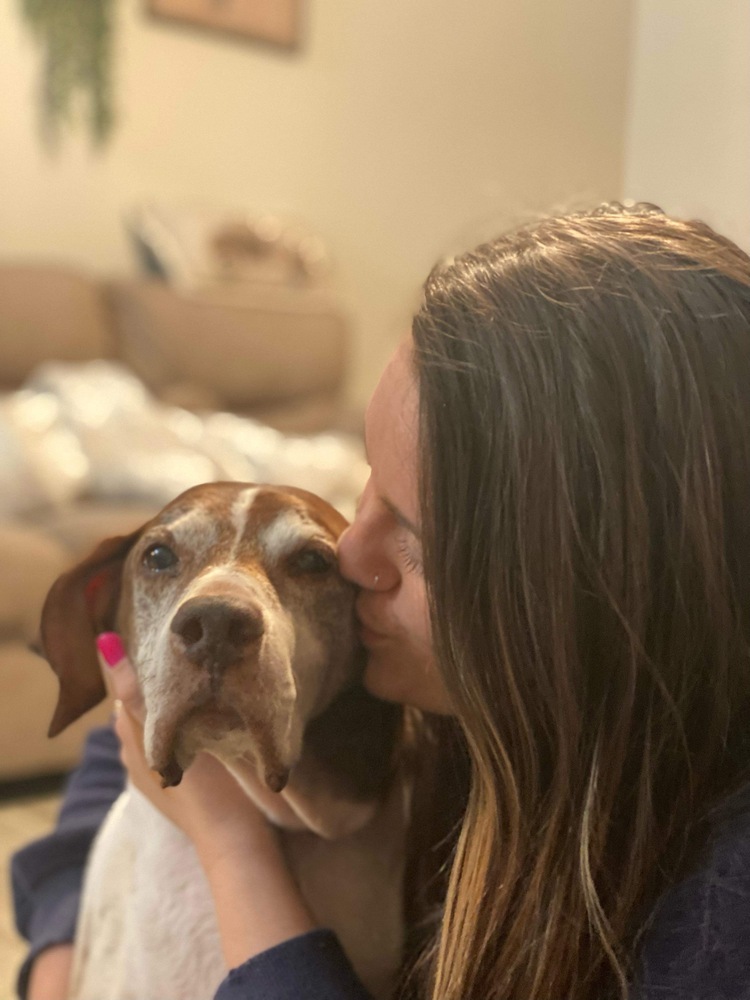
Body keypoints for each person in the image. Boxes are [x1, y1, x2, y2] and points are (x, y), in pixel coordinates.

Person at [12, 202, 750, 1000]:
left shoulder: (714, 924)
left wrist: (232, 849)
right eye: (366, 480)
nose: (352, 557)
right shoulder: (433, 683)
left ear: (579, 598)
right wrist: (61, 953)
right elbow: (119, 747)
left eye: (416, 536)